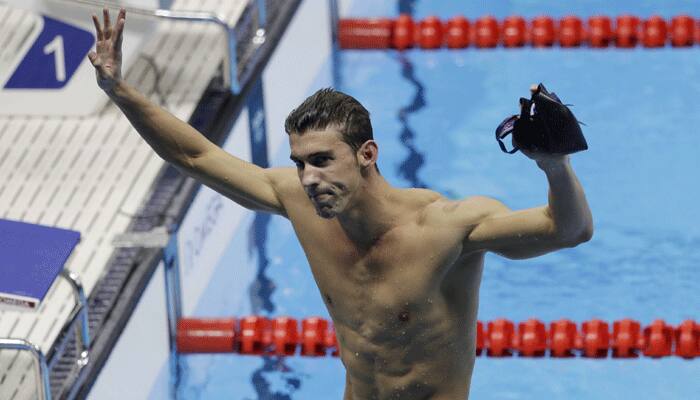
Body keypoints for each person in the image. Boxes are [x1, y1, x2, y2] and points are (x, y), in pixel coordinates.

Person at [88, 9, 593, 400]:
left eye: (323, 160)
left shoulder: (445, 228)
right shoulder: (299, 202)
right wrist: (119, 89)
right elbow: (196, 155)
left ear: (367, 154)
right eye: (300, 162)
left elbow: (567, 230)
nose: (308, 178)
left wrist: (554, 166)